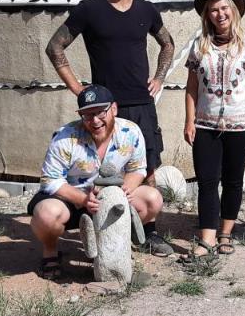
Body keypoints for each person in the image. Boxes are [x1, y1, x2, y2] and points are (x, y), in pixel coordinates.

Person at [45, 0, 175, 256]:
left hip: (141, 103)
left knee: (149, 168)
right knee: (96, 168)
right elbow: (55, 46)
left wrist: (159, 77)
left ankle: (148, 232)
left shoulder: (147, 10)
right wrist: (79, 89)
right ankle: (100, 226)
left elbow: (167, 44)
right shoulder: (90, 9)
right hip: (104, 107)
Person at [28, 85, 163, 279]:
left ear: (114, 109)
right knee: (46, 215)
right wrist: (83, 199)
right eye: (87, 115)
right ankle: (50, 251)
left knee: (153, 199)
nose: (95, 121)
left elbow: (137, 169)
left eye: (100, 112)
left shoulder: (130, 132)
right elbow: (50, 180)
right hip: (72, 200)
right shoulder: (65, 136)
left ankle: (111, 245)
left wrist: (125, 190)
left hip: (109, 198)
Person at [183, 0, 245, 256]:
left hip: (240, 124)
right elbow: (192, 87)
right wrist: (189, 120)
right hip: (205, 123)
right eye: (214, 10)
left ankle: (226, 233)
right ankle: (207, 237)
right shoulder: (199, 45)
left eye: (224, 8)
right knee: (206, 180)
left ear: (234, 11)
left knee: (233, 180)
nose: (220, 14)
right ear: (208, 15)